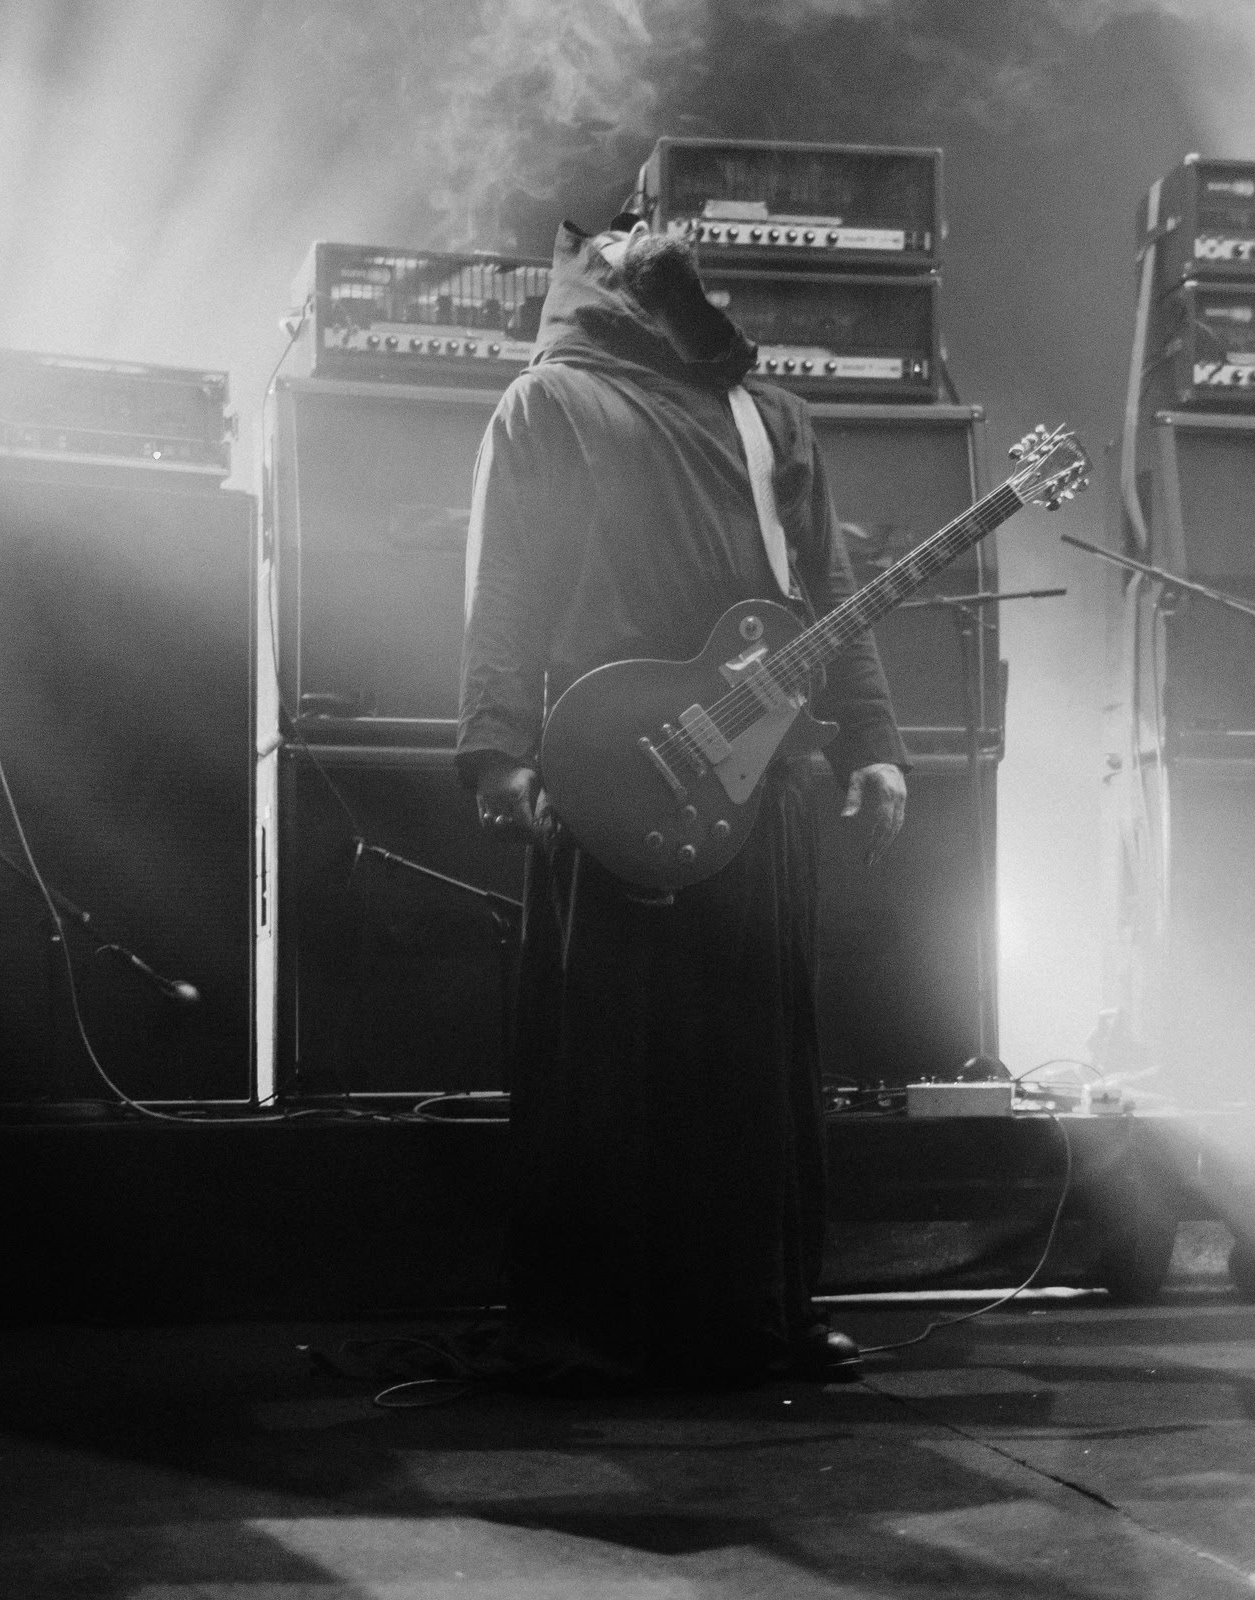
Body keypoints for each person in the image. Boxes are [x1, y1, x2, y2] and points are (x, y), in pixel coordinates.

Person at [456, 215, 909, 1390]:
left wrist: (875, 741)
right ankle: (591, 1336)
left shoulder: (773, 415)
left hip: (763, 770)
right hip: (610, 762)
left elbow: (827, 592)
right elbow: (507, 578)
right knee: (612, 1060)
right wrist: (499, 752)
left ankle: (759, 1319)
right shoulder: (550, 401)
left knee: (757, 1061)